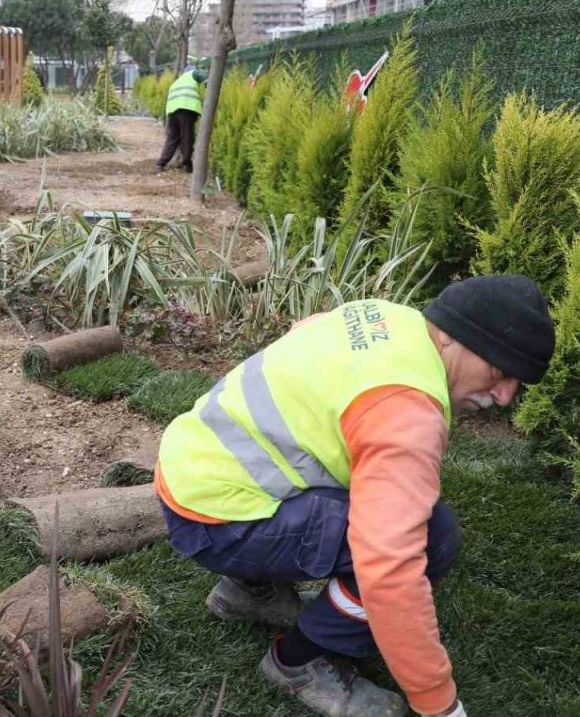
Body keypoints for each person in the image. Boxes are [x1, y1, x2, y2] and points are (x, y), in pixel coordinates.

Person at [155, 275, 555, 717]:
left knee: (360, 488)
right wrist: (439, 705)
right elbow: (390, 571)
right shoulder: (407, 413)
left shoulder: (385, 318)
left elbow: (302, 332)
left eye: (517, 383)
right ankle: (298, 661)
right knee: (430, 538)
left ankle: (251, 591)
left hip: (190, 475)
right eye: (499, 370)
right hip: (219, 521)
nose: (504, 396)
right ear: (452, 340)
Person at [157, 67, 207, 174]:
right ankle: (186, 165)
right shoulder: (193, 73)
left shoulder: (177, 82)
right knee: (187, 137)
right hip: (186, 108)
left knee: (173, 138)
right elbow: (206, 76)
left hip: (172, 110)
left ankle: (161, 163)